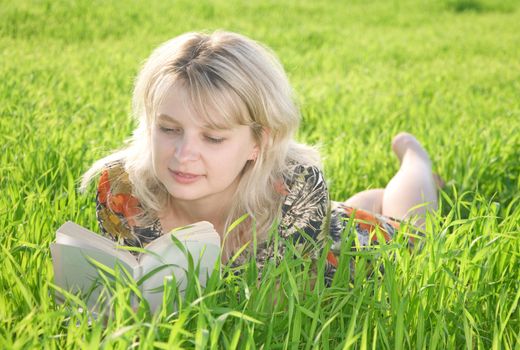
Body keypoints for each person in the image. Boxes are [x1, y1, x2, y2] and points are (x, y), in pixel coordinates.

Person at [81, 30, 441, 283]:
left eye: (214, 137)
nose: (183, 155)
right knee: (348, 210)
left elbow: (274, 307)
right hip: (320, 223)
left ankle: (415, 158)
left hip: (342, 245)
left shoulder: (297, 186)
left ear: (259, 142)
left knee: (414, 230)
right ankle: (362, 202)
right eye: (170, 129)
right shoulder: (121, 190)